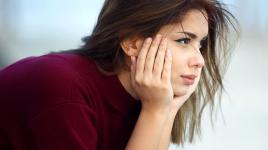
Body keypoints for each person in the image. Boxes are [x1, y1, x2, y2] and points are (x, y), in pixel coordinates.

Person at [0, 0, 238, 149]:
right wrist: (156, 111)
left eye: (200, 44)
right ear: (132, 43)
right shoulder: (63, 88)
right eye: (183, 40)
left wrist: (166, 108)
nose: (199, 61)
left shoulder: (146, 98)